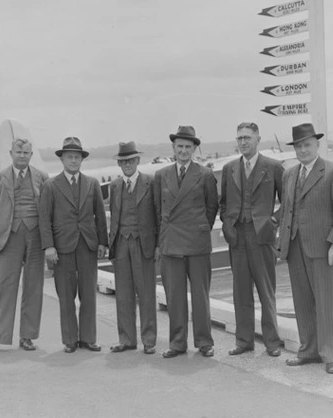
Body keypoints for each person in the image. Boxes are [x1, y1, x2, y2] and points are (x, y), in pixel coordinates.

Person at [277, 123, 333, 374]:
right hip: (295, 247)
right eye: (298, 146)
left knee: (327, 302)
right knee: (302, 302)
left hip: (323, 249)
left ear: (317, 145)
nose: (303, 149)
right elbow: (288, 209)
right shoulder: (289, 174)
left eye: (307, 144)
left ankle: (332, 355)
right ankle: (308, 350)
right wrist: (279, 240)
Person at [153, 125, 219, 358]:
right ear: (173, 147)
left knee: (200, 295)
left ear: (194, 149)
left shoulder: (205, 175)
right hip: (171, 243)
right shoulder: (161, 175)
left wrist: (200, 227)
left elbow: (212, 207)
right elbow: (155, 210)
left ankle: (204, 342)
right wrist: (160, 242)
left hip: (197, 242)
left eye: (187, 147)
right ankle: (178, 343)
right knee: (175, 296)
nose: (183, 150)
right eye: (179, 146)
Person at [219, 122, 284, 357]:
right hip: (237, 236)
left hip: (262, 236)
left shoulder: (273, 167)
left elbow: (287, 203)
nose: (243, 142)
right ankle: (244, 341)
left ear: (258, 139)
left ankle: (272, 342)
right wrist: (228, 226)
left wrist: (272, 223)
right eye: (239, 138)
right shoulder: (229, 169)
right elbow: (224, 203)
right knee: (241, 291)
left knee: (266, 291)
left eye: (247, 137)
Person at [39, 136, 108, 353]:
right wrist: (49, 246)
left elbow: (100, 215)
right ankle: (70, 339)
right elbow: (44, 219)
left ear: (82, 159)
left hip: (87, 245)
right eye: (69, 157)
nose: (73, 160)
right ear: (62, 159)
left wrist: (102, 242)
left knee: (88, 294)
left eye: (77, 157)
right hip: (62, 247)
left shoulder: (92, 184)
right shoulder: (50, 185)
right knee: (66, 296)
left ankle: (88, 338)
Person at [0, 138, 50, 354]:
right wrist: (6, 227)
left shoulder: (42, 177)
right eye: (18, 152)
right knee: (3, 286)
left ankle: (27, 336)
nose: (22, 156)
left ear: (31, 155)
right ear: (11, 153)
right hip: (10, 237)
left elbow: (47, 209)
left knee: (34, 287)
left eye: (26, 152)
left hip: (36, 236)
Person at [107, 141, 158, 355]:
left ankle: (149, 340)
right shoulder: (115, 186)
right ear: (119, 164)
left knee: (146, 293)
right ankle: (127, 339)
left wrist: (157, 246)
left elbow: (157, 216)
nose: (127, 164)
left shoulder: (150, 182)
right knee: (124, 295)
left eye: (130, 160)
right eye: (123, 161)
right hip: (121, 244)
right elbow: (114, 216)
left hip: (143, 243)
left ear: (137, 160)